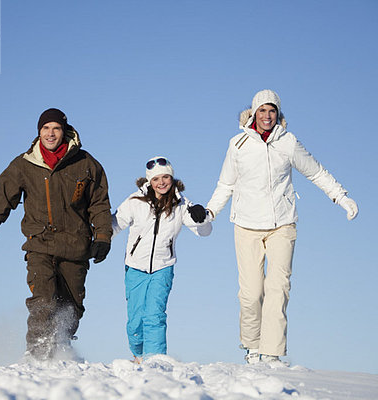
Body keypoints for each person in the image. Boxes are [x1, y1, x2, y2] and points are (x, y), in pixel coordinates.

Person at [206, 90, 358, 364]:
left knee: (279, 288)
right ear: (253, 113)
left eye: (272, 111)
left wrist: (341, 197)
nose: (267, 116)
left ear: (278, 114)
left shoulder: (288, 142)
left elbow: (316, 172)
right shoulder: (238, 144)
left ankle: (272, 352)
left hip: (282, 224)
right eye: (262, 110)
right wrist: (209, 212)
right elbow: (225, 184)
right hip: (246, 226)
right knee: (251, 293)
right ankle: (252, 346)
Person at [0, 108, 112, 360]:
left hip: (76, 247)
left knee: (71, 308)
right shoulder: (24, 165)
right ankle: (37, 358)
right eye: (45, 128)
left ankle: (62, 351)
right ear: (38, 132)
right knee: (42, 302)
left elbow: (99, 205)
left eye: (55, 128)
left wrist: (102, 237)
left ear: (64, 131)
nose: (50, 133)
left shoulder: (87, 164)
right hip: (40, 245)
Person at [112, 156, 212, 363]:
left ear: (172, 178)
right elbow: (115, 224)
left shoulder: (181, 204)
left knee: (155, 316)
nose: (162, 182)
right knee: (135, 319)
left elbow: (204, 232)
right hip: (135, 267)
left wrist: (201, 218)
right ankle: (138, 354)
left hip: (163, 267)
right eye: (157, 178)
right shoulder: (135, 201)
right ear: (149, 181)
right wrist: (99, 236)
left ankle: (154, 359)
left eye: (166, 177)